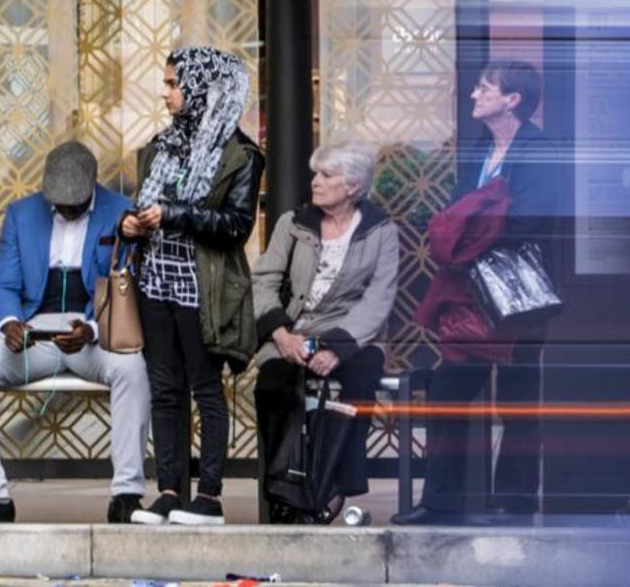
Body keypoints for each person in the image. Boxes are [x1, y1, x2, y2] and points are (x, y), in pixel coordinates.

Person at [0, 140, 151, 524]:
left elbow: (126, 281)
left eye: (76, 202)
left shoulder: (120, 212)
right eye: (59, 202)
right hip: (34, 329)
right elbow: (4, 284)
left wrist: (91, 329)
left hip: (91, 331)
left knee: (132, 370)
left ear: (93, 187)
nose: (66, 209)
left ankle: (126, 496)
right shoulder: (21, 213)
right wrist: (9, 324)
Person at [394, 58, 562, 526]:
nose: (474, 94)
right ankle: (442, 500)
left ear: (512, 100)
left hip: (518, 291)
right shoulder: (477, 149)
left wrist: (469, 226)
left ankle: (514, 499)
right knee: (449, 390)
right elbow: (455, 212)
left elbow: (527, 220)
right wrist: (469, 224)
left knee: (516, 397)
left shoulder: (539, 151)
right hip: (470, 289)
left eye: (485, 88)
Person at [120, 47, 263, 526]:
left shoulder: (240, 154)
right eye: (166, 84)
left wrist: (176, 214)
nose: (166, 93)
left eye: (173, 84)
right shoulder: (161, 147)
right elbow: (141, 205)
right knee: (164, 389)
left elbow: (237, 226)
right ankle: (166, 492)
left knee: (206, 389)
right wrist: (130, 225)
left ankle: (210, 498)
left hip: (205, 287)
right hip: (156, 280)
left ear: (205, 89)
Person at [251, 142, 400, 523]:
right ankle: (284, 483)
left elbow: (378, 298)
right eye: (315, 173)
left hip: (351, 336)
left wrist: (337, 348)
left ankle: (335, 483)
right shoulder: (292, 222)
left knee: (359, 383)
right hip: (295, 330)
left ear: (352, 186)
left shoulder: (380, 231)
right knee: (274, 385)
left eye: (326, 175)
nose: (315, 182)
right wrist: (281, 334)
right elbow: (264, 279)